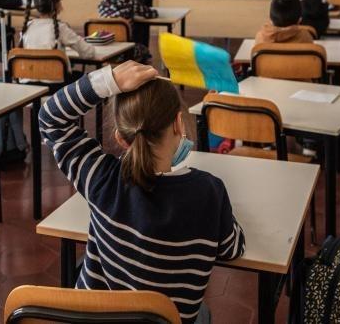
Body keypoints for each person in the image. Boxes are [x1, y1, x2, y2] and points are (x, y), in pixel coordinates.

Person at [39, 60, 245, 324]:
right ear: (178, 125)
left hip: (97, 318)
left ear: (121, 138)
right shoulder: (209, 193)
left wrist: (108, 80)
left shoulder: (100, 179)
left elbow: (50, 117)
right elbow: (232, 249)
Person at [20, 0, 95, 85]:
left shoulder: (27, 27)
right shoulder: (61, 28)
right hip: (56, 84)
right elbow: (88, 53)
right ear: (57, 4)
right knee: (92, 79)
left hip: (28, 83)